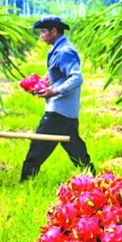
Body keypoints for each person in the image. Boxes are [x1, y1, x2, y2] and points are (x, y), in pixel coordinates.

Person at [20, 16, 95, 182]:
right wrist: (41, 83)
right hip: (67, 110)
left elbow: (76, 77)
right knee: (74, 146)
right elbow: (56, 73)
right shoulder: (57, 48)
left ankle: (25, 181)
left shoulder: (64, 52)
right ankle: (93, 177)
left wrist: (54, 91)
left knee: (38, 144)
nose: (41, 35)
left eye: (44, 31)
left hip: (59, 110)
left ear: (54, 31)